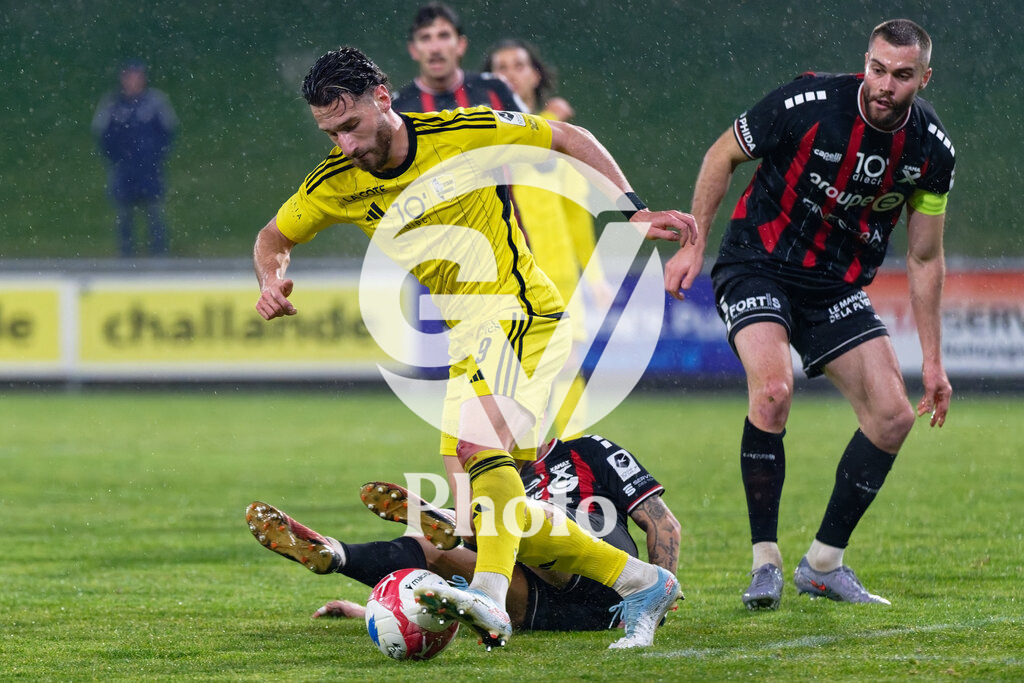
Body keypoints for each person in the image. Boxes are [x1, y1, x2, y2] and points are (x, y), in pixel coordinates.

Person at [252, 47, 696, 649]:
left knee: (481, 453)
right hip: (467, 337)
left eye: (351, 125)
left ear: (382, 97)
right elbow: (273, 235)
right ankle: (641, 579)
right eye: (331, 133)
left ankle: (489, 598)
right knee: (480, 512)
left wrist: (631, 210)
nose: (345, 144)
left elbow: (566, 137)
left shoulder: (465, 131)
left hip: (522, 312)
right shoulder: (335, 183)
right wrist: (270, 277)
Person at [664, 19, 954, 610]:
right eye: (877, 68)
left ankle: (824, 563)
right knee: (772, 391)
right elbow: (723, 153)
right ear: (864, 62)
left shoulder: (932, 150)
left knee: (894, 417)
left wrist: (933, 362)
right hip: (758, 263)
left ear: (924, 78)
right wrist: (695, 242)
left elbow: (925, 257)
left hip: (833, 285)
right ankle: (763, 560)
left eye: (902, 76)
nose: (885, 85)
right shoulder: (805, 103)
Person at [245, 434, 681, 633]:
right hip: (543, 608)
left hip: (605, 586)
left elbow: (662, 524)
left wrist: (653, 606)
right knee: (429, 551)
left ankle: (461, 526)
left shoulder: (588, 450)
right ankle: (338, 555)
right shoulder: (491, 477)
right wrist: (372, 613)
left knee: (511, 516)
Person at [483, 39, 612, 438]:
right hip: (503, 270)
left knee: (567, 363)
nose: (510, 73)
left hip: (557, 271)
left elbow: (575, 214)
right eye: (499, 67)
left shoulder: (561, 136)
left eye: (518, 64)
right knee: (512, 372)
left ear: (535, 73)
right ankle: (517, 463)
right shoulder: (482, 131)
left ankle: (574, 456)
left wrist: (596, 277)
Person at [91, 60, 177, 257]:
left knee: (154, 212)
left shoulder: (155, 102)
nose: (133, 81)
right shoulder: (112, 104)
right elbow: (103, 135)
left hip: (150, 168)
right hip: (123, 169)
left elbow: (168, 132)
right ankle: (126, 255)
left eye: (137, 77)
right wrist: (118, 158)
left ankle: (158, 255)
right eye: (130, 77)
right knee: (124, 214)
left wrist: (154, 156)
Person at [391, 3, 524, 115]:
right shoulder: (396, 108)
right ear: (413, 50)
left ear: (461, 45)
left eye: (444, 36)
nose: (435, 48)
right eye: (425, 38)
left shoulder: (495, 88)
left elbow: (532, 138)